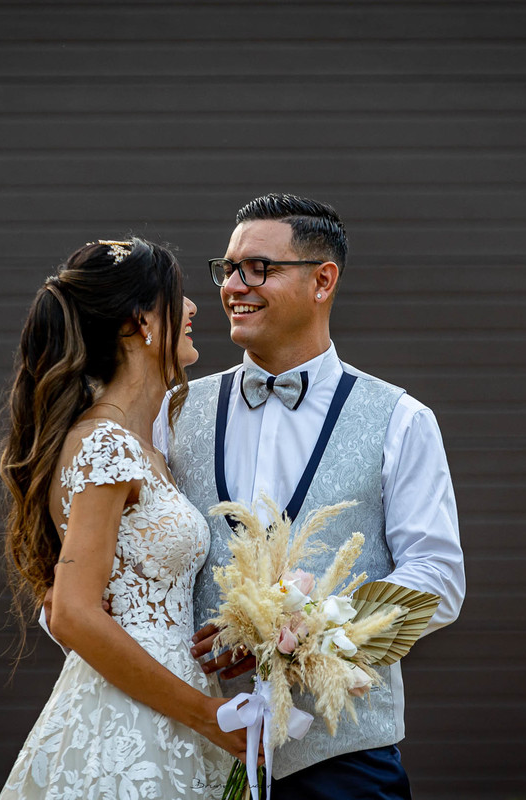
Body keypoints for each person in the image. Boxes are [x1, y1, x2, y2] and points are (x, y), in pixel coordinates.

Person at [156, 194, 466, 799]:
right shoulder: (175, 410)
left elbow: (438, 578)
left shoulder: (402, 419)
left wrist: (302, 631)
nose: (234, 286)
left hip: (344, 759)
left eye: (259, 268)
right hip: (193, 756)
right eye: (228, 269)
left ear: (323, 281)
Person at [0, 238, 248, 799]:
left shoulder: (147, 445)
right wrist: (206, 715)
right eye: (178, 297)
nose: (192, 309)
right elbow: (73, 613)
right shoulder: (106, 445)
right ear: (141, 322)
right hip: (127, 720)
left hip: (168, 703)